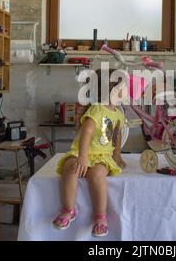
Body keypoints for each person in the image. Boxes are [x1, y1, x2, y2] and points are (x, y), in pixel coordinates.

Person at [53, 69, 127, 237]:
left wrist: (117, 155)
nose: (125, 92)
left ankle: (100, 217)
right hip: (84, 152)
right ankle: (68, 210)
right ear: (111, 90)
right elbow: (86, 132)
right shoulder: (97, 109)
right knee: (70, 168)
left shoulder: (118, 114)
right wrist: (83, 156)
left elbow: (116, 135)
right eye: (122, 88)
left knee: (97, 175)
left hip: (103, 156)